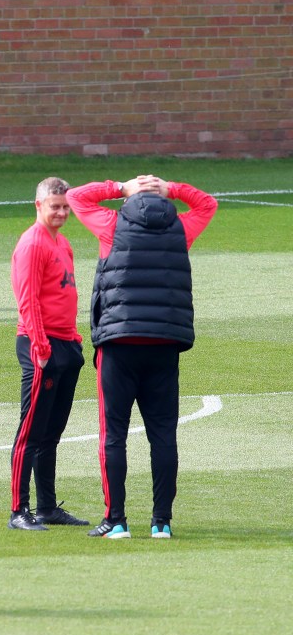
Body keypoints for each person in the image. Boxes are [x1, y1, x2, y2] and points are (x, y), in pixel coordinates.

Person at [67, 175, 218, 539]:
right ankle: (162, 522)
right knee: (163, 434)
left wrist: (121, 186)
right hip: (165, 344)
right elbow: (208, 203)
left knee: (113, 434)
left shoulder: (112, 224)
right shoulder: (181, 228)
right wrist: (175, 189)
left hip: (119, 344)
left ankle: (116, 520)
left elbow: (76, 197)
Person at [8, 178, 88, 530]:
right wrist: (40, 347)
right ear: (38, 205)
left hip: (65, 344)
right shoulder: (31, 244)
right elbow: (27, 301)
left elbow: (63, 295)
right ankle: (18, 510)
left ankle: (47, 507)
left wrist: (74, 339)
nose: (61, 212)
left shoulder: (63, 243)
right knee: (30, 431)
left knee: (52, 432)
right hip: (40, 346)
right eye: (55, 206)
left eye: (66, 206)